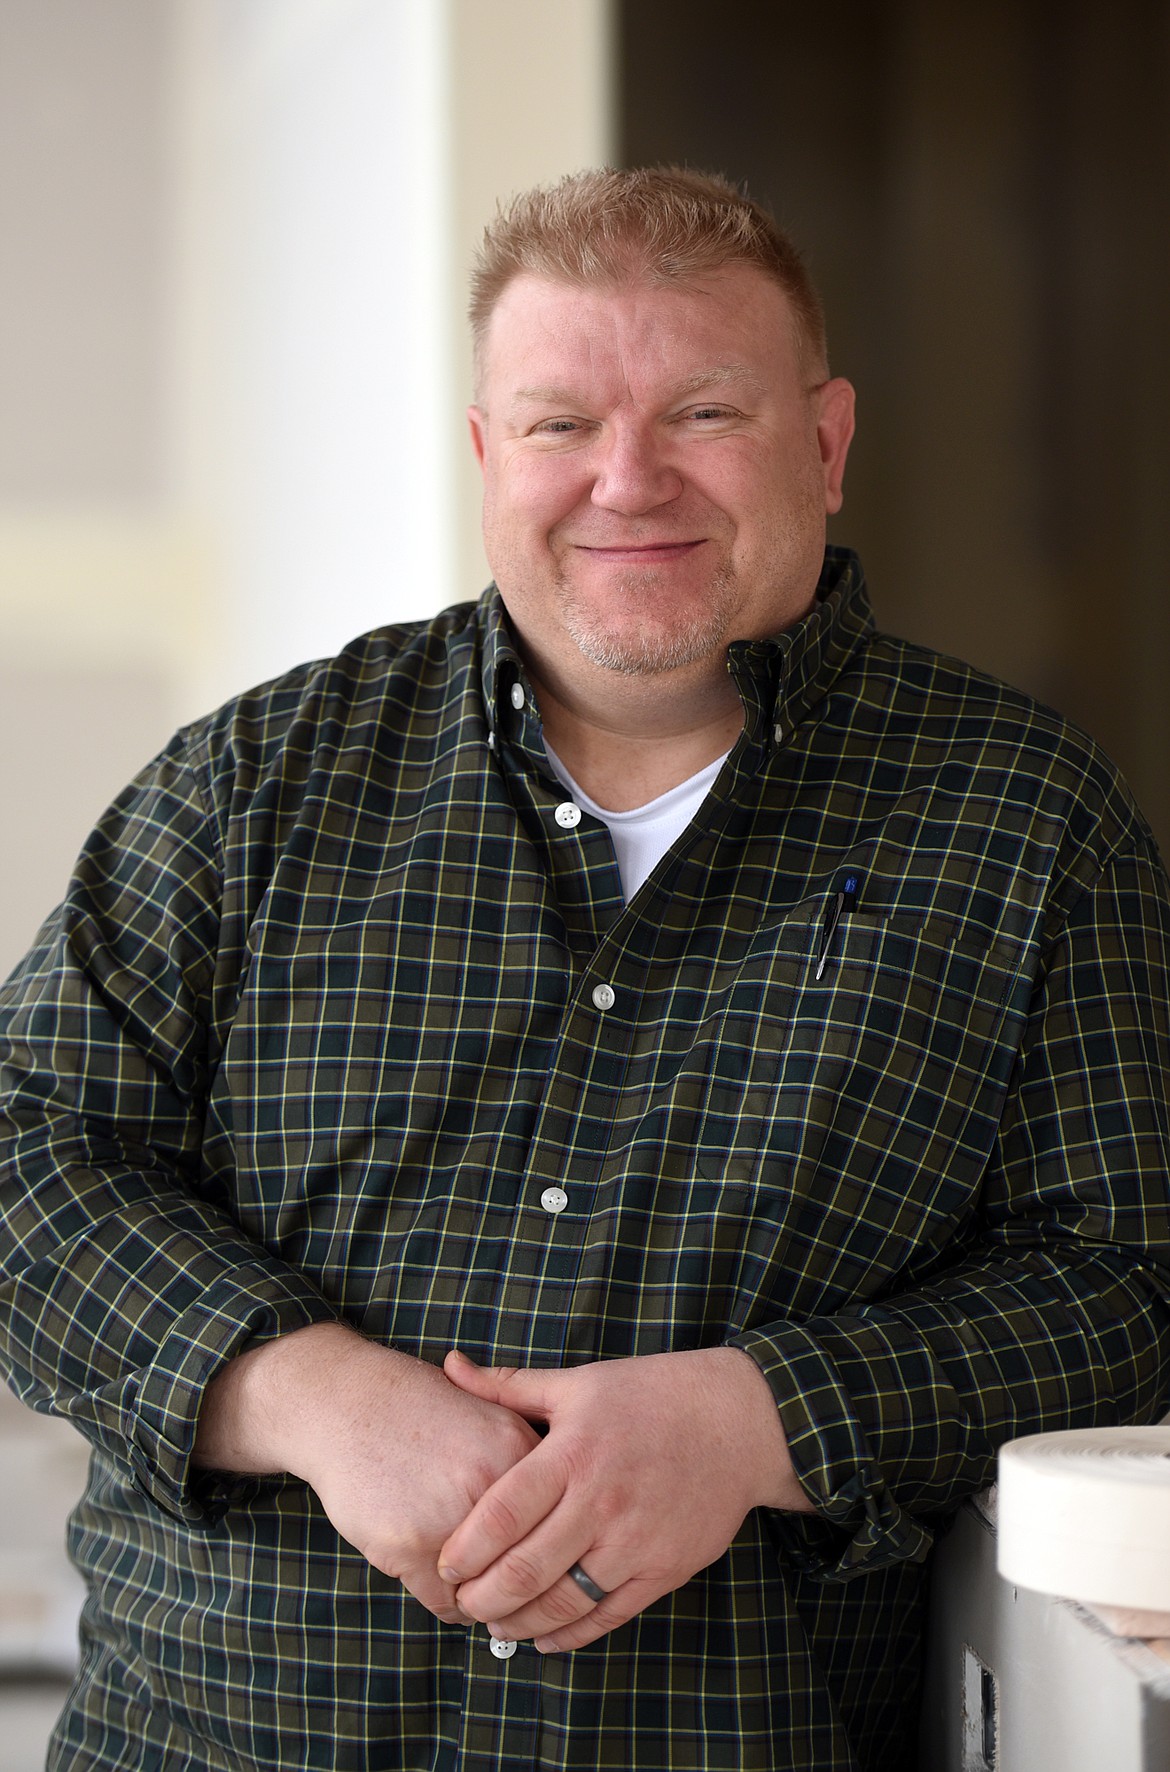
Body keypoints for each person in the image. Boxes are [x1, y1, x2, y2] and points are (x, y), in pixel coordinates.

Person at [1, 165, 1169, 1772]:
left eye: (701, 412)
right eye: (559, 423)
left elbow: (1125, 1275)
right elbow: (26, 1145)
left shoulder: (1027, 818)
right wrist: (306, 1393)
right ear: (489, 455)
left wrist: (762, 1420)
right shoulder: (254, 781)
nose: (626, 481)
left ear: (823, 445)